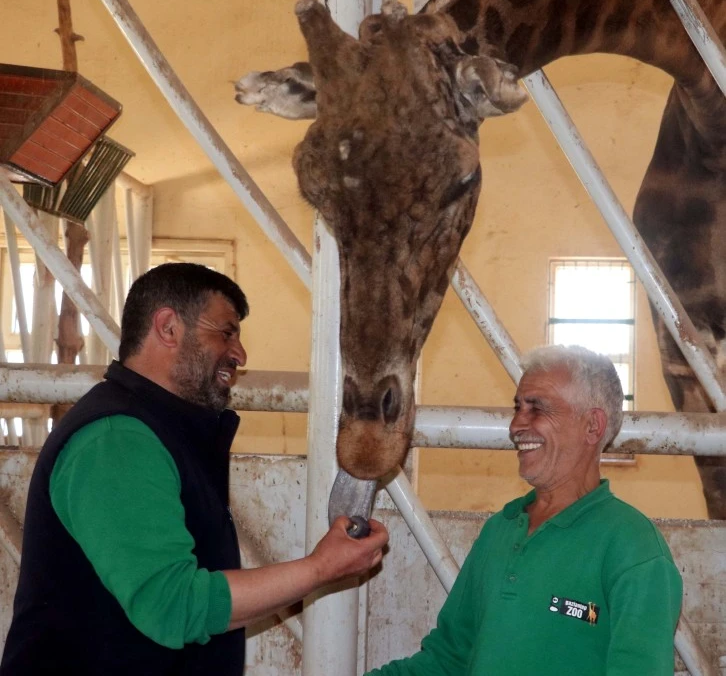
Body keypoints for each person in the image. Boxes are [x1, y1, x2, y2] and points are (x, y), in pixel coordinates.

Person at [0, 262, 388, 675]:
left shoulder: (159, 432)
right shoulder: (116, 440)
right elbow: (173, 605)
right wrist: (321, 569)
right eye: (226, 332)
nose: (239, 354)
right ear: (168, 328)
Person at [366, 345, 682, 675]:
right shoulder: (500, 530)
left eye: (537, 409)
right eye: (518, 408)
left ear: (592, 426)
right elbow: (448, 660)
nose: (516, 425)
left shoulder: (635, 549)